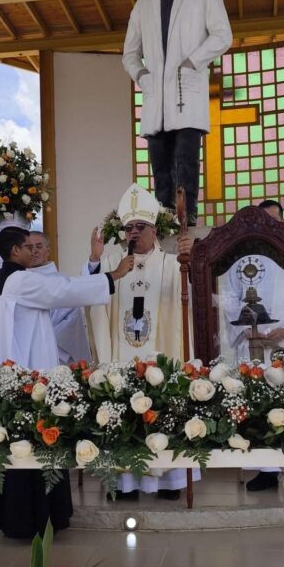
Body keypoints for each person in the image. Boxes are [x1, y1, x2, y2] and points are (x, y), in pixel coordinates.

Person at [0, 226, 132, 538]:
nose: (31, 252)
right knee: (39, 446)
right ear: (14, 251)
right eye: (27, 246)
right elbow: (63, 291)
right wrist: (112, 275)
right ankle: (38, 519)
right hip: (31, 378)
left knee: (20, 448)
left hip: (14, 376)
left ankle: (17, 518)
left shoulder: (2, 281)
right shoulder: (21, 280)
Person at [86, 183, 198, 499]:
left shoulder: (172, 263)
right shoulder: (112, 265)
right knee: (124, 411)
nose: (134, 232)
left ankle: (168, 482)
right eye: (129, 228)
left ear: (154, 230)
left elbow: (193, 293)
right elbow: (93, 297)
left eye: (141, 226)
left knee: (163, 409)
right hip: (123, 354)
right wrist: (95, 263)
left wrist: (190, 260)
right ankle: (126, 484)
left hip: (161, 353)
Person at [122, 0, 232, 226]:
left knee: (186, 161)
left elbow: (222, 35)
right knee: (160, 168)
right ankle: (166, 222)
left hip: (188, 88)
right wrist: (142, 75)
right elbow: (129, 52)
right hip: (155, 93)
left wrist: (191, 62)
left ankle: (189, 219)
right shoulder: (144, 1)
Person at [226, 200, 284, 493]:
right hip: (253, 343)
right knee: (256, 401)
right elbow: (230, 296)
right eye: (263, 220)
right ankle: (266, 468)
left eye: (274, 220)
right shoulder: (240, 257)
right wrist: (247, 330)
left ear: (282, 222)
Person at [26, 231, 91, 365]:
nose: (34, 251)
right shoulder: (19, 283)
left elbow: (71, 321)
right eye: (29, 247)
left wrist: (42, 343)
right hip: (25, 354)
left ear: (48, 249)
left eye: (38, 246)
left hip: (54, 355)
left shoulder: (62, 282)